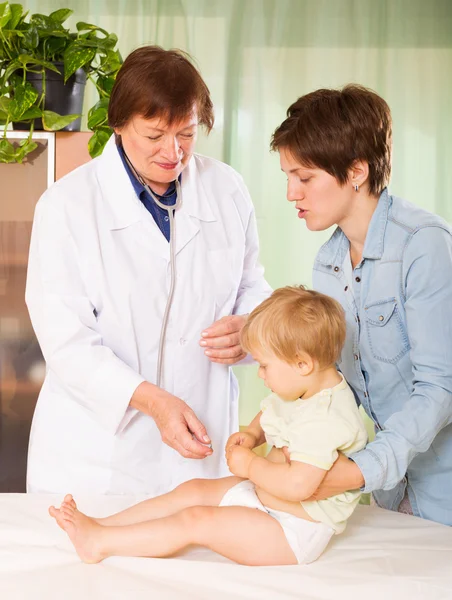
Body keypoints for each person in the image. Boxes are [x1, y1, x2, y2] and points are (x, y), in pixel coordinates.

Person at [25, 46, 271, 495]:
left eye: (187, 134)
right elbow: (67, 342)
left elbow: (251, 284)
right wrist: (153, 402)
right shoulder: (66, 206)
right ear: (118, 123)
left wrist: (252, 327)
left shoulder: (227, 189)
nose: (173, 152)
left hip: (201, 447)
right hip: (97, 458)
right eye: (154, 135)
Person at [49, 286, 367, 566]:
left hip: (292, 528)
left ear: (302, 363)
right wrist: (254, 434)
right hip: (265, 497)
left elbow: (299, 486)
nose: (260, 374)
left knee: (196, 520)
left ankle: (99, 544)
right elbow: (275, 409)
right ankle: (104, 525)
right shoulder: (303, 384)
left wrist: (250, 465)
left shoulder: (326, 419)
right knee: (194, 491)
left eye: (264, 365)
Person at [271, 84, 452, 525]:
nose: (292, 193)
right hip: (390, 491)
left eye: (305, 177)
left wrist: (357, 471)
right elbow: (335, 382)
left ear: (356, 171)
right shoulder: (328, 262)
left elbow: (441, 389)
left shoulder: (424, 246)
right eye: (288, 177)